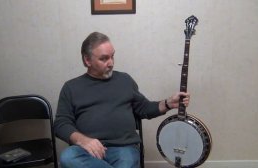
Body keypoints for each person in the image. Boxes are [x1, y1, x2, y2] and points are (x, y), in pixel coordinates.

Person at [54, 32, 190, 168]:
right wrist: (83, 140)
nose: (111, 63)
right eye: (104, 59)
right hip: (86, 150)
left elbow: (144, 108)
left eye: (112, 56)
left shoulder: (124, 80)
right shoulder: (71, 87)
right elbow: (61, 124)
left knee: (127, 161)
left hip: (124, 148)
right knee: (68, 157)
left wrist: (168, 103)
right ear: (87, 60)